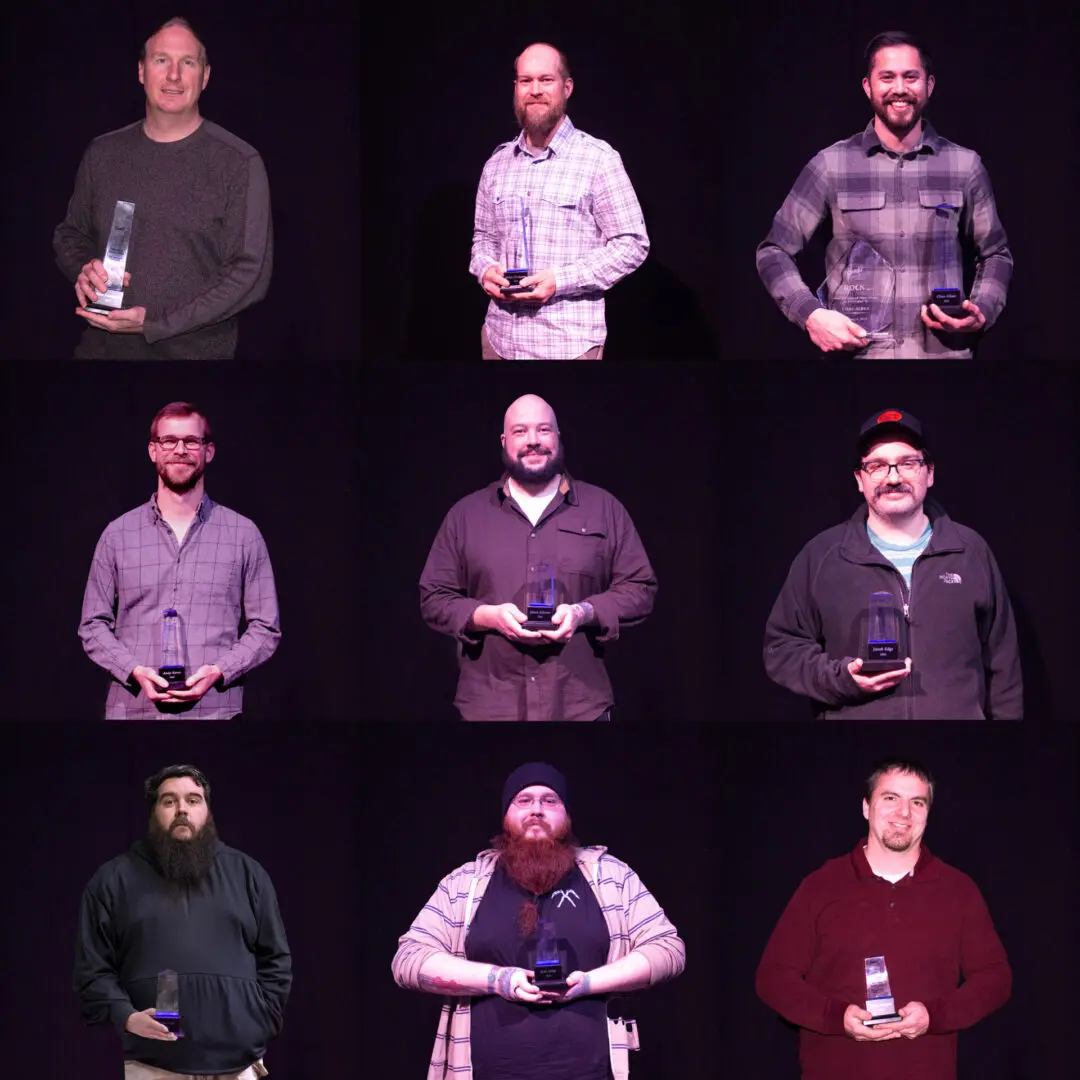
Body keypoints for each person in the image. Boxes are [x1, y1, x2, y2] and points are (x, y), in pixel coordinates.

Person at [392, 762, 686, 1080]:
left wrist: (589, 983)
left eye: (549, 800)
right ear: (505, 815)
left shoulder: (611, 876)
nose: (536, 809)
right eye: (524, 800)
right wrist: (499, 980)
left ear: (567, 815)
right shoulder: (464, 883)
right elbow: (409, 959)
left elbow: (667, 949)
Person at [756, 30, 1012, 358]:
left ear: (929, 85)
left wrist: (982, 310)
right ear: (868, 86)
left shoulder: (964, 166)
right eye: (887, 77)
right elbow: (774, 250)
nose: (899, 88)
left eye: (911, 77)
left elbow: (996, 254)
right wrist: (811, 315)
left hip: (942, 358)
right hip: (859, 360)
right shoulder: (830, 165)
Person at [755, 759, 1011, 1080]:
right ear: (866, 807)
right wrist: (835, 1017)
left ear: (928, 814)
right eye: (891, 798)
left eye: (917, 802)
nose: (904, 813)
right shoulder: (821, 886)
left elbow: (995, 978)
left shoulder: (959, 890)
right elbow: (773, 978)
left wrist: (935, 1016)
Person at [763, 408, 1022, 719]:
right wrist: (842, 679)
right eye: (877, 466)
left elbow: (1004, 664)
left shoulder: (971, 551)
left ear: (929, 473)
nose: (894, 478)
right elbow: (782, 648)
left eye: (908, 463)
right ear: (859, 479)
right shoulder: (821, 555)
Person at [419, 393, 657, 720]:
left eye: (543, 429)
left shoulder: (604, 509)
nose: (533, 440)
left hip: (579, 706)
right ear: (504, 441)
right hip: (490, 708)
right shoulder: (466, 515)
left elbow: (640, 588)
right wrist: (487, 616)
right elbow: (433, 596)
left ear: (558, 437)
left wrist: (584, 612)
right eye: (520, 431)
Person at [53, 17, 272, 359]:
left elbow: (249, 276)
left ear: (205, 76)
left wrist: (155, 324)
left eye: (188, 63)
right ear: (141, 71)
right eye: (161, 60)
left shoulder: (239, 163)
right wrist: (84, 268)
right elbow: (71, 234)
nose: (173, 75)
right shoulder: (103, 153)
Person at [73, 764, 292, 1080]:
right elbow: (92, 970)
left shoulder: (248, 874)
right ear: (154, 812)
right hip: (154, 1065)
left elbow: (276, 959)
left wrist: (260, 1020)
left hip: (240, 1063)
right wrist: (126, 1016)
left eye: (193, 800)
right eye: (169, 801)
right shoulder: (113, 880)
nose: (182, 810)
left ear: (207, 810)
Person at [78, 401, 281, 719]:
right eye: (169, 441)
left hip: (214, 714)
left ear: (208, 451)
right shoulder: (117, 534)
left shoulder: (243, 534)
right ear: (153, 450)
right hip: (133, 713)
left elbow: (266, 627)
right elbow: (92, 625)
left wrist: (220, 670)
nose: (180, 450)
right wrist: (133, 670)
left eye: (191, 441)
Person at [470, 42, 649, 359]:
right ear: (516, 88)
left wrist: (561, 280)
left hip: (566, 346)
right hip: (499, 341)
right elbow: (483, 239)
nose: (535, 90)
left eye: (546, 80)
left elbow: (632, 244)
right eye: (526, 81)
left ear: (567, 88)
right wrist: (485, 270)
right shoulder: (496, 164)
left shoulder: (598, 160)